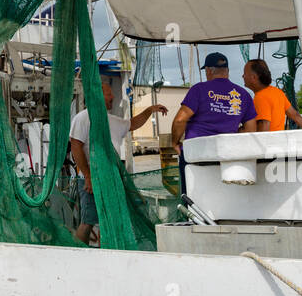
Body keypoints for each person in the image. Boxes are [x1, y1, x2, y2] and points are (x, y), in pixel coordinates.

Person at [69, 78, 167, 243]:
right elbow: (76, 147)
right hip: (91, 181)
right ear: (98, 96)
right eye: (109, 94)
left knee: (110, 219)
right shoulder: (82, 118)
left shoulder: (111, 119)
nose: (113, 97)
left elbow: (132, 124)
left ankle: (107, 251)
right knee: (88, 221)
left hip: (110, 180)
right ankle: (78, 255)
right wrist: (88, 176)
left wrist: (150, 110)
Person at [169, 52, 257, 195]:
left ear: (209, 70)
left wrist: (175, 142)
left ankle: (193, 216)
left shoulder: (199, 89)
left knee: (193, 198)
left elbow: (180, 120)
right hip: (227, 155)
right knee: (223, 196)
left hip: (197, 155)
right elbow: (251, 131)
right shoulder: (244, 94)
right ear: (227, 71)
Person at [242, 59, 302, 131]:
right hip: (280, 140)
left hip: (269, 141)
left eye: (245, 73)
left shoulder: (260, 97)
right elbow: (296, 116)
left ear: (254, 77)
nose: (243, 76)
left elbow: (264, 127)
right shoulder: (277, 92)